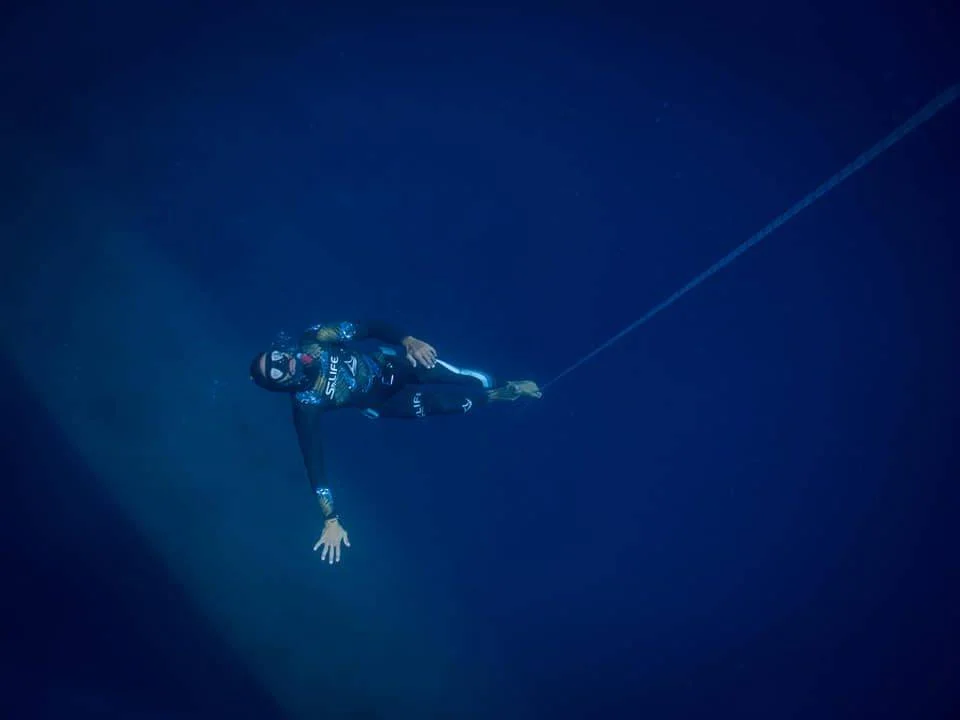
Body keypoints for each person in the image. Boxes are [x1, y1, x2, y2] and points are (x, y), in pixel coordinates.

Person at [249, 319, 542, 565]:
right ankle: (500, 396)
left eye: (275, 356)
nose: (282, 363)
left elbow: (370, 326)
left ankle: (507, 383)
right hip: (386, 403)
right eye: (275, 371)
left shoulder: (314, 339)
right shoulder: (306, 405)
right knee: (451, 403)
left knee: (462, 377)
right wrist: (331, 519)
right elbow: (314, 461)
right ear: (279, 384)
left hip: (392, 363)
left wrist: (408, 340)